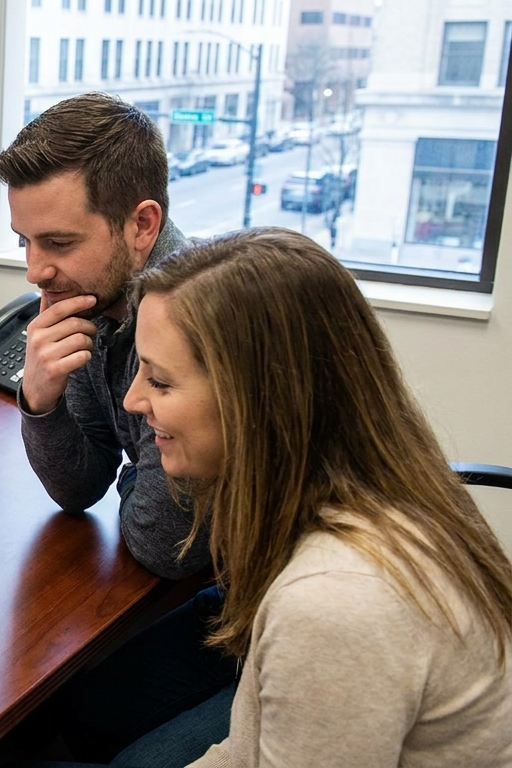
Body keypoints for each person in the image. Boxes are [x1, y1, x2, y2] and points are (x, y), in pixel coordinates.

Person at [120, 227, 512, 766]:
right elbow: (249, 744)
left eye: (160, 382)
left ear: (255, 402)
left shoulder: (335, 604)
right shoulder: (376, 490)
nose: (133, 399)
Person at [0, 93, 235, 763]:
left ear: (142, 223)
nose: (35, 269)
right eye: (25, 242)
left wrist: (134, 479)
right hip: (229, 594)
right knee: (56, 716)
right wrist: (40, 400)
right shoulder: (98, 300)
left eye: (59, 243)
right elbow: (80, 487)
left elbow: (160, 542)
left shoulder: (197, 324)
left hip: (284, 615)